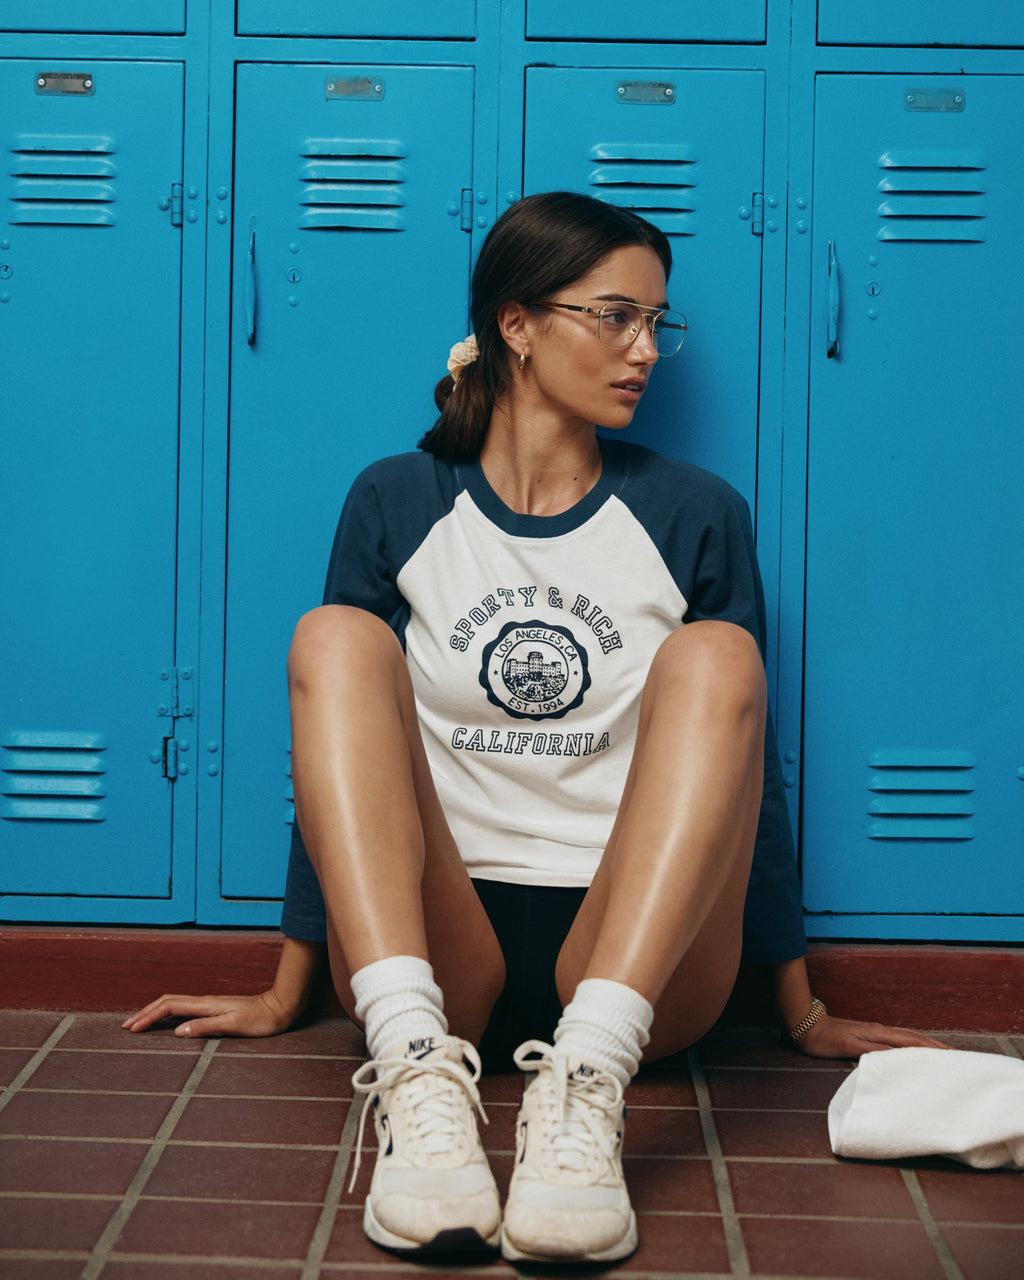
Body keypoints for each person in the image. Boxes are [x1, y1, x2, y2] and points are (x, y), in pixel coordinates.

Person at [124, 192, 949, 1264]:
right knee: (332, 641)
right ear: (516, 324)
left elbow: (752, 770)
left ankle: (587, 1084)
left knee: (720, 656)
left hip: (636, 957)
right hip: (442, 943)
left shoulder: (694, 512)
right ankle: (415, 1066)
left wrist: (797, 1003)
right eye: (615, 316)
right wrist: (293, 984)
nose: (644, 349)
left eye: (659, 323)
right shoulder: (399, 498)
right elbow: (338, 761)